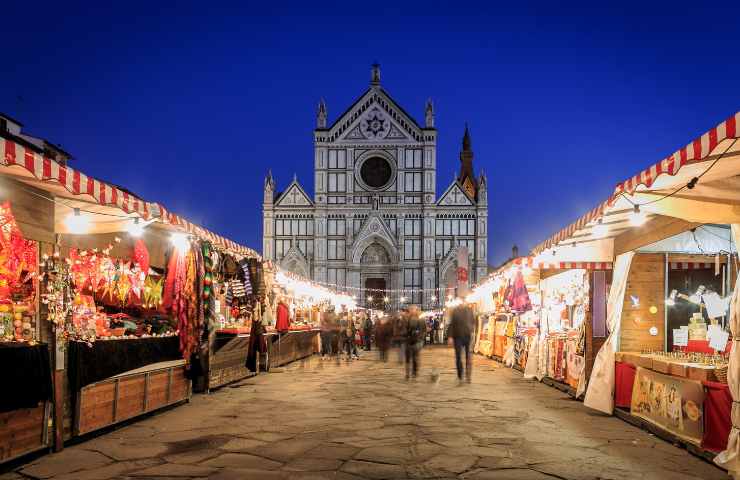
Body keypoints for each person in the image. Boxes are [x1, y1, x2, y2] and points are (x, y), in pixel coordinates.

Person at [449, 303, 475, 383]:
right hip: (457, 336)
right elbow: (452, 324)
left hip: (467, 336)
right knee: (458, 357)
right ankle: (460, 375)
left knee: (468, 357)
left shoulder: (470, 310)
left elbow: (473, 321)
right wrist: (450, 336)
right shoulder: (455, 311)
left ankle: (468, 375)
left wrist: (472, 331)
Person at [405, 305, 425, 379]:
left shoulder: (420, 319)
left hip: (417, 340)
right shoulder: (408, 318)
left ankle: (414, 372)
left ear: (416, 310)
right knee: (407, 357)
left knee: (414, 357)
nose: (411, 310)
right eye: (410, 309)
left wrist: (420, 337)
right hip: (409, 340)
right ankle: (407, 373)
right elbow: (406, 329)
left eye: (413, 309)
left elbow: (423, 330)